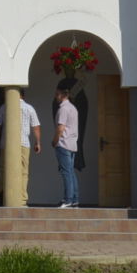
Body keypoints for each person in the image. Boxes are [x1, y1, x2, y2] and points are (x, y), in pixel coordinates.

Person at [0, 93, 42, 202]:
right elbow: (36, 126)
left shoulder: (4, 107)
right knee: (24, 172)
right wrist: (38, 142)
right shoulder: (29, 108)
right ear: (23, 96)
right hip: (23, 143)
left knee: (2, 168)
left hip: (5, 143)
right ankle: (23, 199)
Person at [52, 77, 80, 208]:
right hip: (72, 144)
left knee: (66, 172)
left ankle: (68, 199)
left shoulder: (63, 109)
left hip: (63, 144)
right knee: (70, 172)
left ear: (63, 95)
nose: (55, 96)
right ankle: (74, 198)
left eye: (57, 94)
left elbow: (61, 127)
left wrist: (55, 141)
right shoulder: (73, 108)